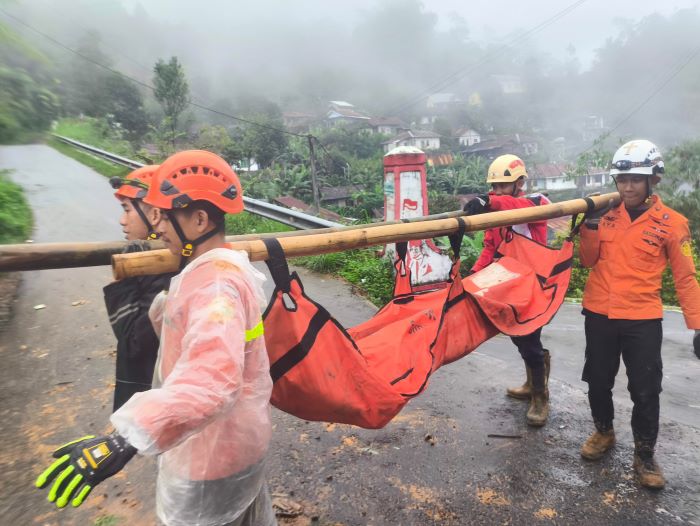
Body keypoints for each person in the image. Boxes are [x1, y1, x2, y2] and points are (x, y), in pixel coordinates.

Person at [36, 150, 277, 526]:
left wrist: (124, 439)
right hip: (228, 441)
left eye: (164, 216)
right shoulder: (213, 271)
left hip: (213, 454)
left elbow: (210, 384)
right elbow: (170, 332)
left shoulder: (215, 286)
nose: (157, 227)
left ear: (199, 220)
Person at [578, 139, 700, 489]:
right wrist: (589, 226)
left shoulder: (672, 223)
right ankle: (604, 432)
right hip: (599, 313)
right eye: (622, 179)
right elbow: (587, 261)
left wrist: (698, 325)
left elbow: (686, 278)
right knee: (597, 380)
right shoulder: (604, 215)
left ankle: (645, 455)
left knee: (645, 389)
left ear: (652, 180)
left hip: (642, 318)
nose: (627, 186)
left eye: (636, 179)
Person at [463, 154, 552, 426]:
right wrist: (473, 276)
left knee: (529, 338)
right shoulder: (498, 214)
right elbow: (490, 246)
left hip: (532, 285)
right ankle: (532, 381)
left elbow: (515, 205)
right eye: (494, 187)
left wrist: (489, 202)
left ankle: (540, 396)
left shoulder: (536, 203)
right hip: (507, 282)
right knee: (517, 335)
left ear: (520, 183)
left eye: (503, 186)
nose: (498, 192)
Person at [105, 165, 174, 411]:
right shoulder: (172, 256)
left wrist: (122, 285)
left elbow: (135, 342)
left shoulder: (162, 268)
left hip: (158, 399)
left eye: (127, 210)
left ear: (155, 214)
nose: (122, 221)